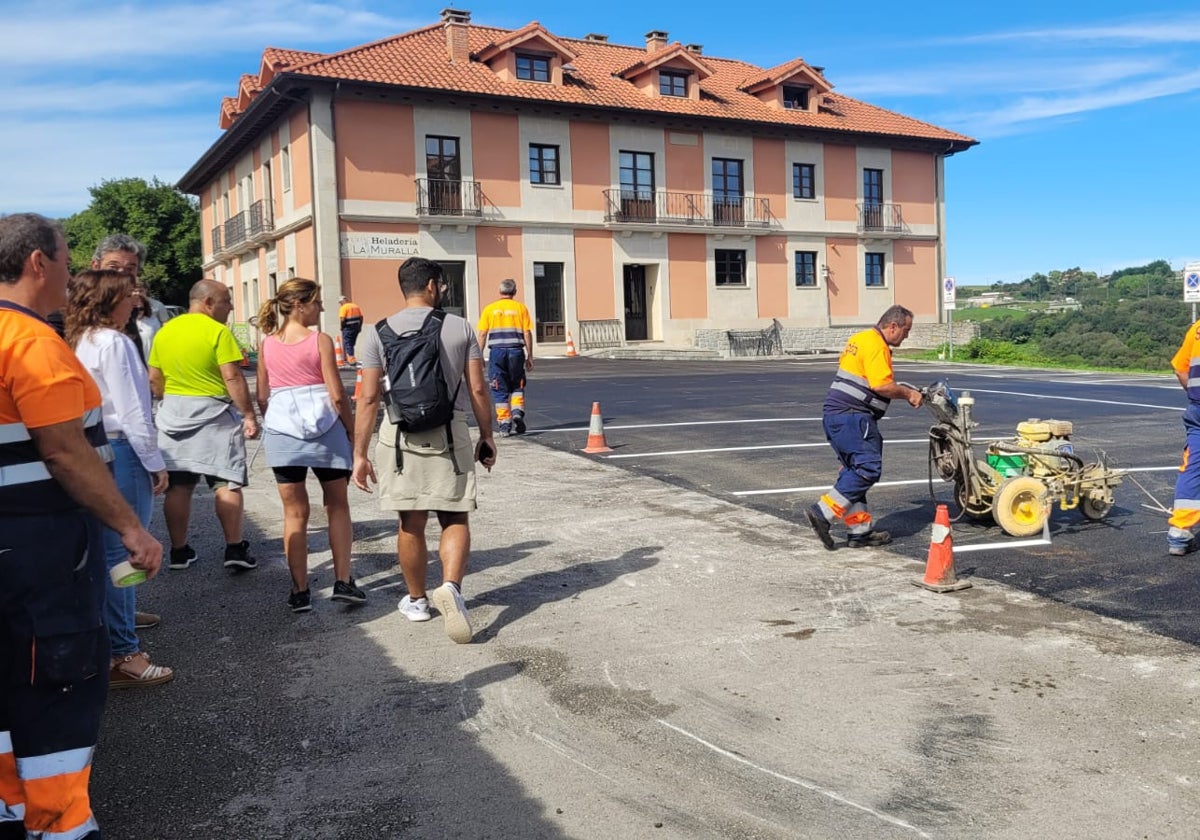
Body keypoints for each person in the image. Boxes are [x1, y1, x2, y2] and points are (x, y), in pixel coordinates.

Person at [0, 213, 162, 840]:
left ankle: (11, 806)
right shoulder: (33, 342)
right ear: (38, 263)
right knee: (56, 679)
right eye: (66, 258)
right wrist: (131, 528)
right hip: (39, 545)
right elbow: (65, 450)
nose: (72, 272)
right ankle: (62, 823)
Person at [351, 257, 496, 643]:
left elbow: (367, 399)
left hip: (399, 439)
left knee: (410, 524)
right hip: (449, 436)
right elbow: (478, 388)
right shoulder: (458, 327)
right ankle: (450, 586)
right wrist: (487, 434)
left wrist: (359, 454)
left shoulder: (376, 333)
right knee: (455, 519)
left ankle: (416, 601)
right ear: (433, 285)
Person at [66, 270, 174, 688]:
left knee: (108, 551)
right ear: (112, 301)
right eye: (129, 296)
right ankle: (124, 652)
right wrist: (155, 462)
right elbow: (134, 411)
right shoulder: (114, 342)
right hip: (122, 449)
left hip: (94, 445)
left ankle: (118, 633)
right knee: (127, 550)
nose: (136, 301)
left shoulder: (80, 340)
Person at [256, 279, 365, 611]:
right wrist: (352, 431)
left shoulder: (266, 345)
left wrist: (275, 419)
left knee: (294, 514)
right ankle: (343, 580)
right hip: (325, 432)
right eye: (317, 302)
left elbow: (262, 396)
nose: (322, 308)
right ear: (300, 305)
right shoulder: (320, 340)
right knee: (337, 506)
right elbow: (336, 394)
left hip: (282, 434)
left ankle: (300, 590)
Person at [148, 279, 259, 571]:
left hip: (174, 415)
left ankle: (179, 551)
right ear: (208, 302)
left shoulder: (165, 331)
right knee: (226, 483)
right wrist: (248, 413)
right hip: (214, 417)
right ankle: (234, 547)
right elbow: (232, 378)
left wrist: (167, 399)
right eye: (226, 300)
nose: (231, 306)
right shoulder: (218, 332)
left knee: (179, 487)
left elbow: (154, 378)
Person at [805, 305, 923, 550]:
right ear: (893, 326)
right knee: (868, 469)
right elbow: (881, 385)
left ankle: (859, 532)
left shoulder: (859, 339)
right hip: (853, 417)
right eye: (906, 330)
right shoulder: (877, 346)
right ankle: (822, 513)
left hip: (836, 416)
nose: (907, 335)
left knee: (854, 471)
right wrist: (909, 393)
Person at [477, 278, 533, 436]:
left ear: (500, 291)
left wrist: (479, 354)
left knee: (498, 388)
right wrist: (530, 355)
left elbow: (482, 334)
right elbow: (527, 333)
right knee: (517, 384)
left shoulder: (490, 309)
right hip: (516, 351)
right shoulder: (521, 308)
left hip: (497, 352)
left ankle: (504, 425)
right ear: (515, 292)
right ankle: (517, 413)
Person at [1167, 318, 1200, 555]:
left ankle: (1179, 531)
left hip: (1198, 408)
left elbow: (1180, 368)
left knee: (1194, 467)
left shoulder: (1197, 327)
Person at [337, 294, 363, 365]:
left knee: (348, 343)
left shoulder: (343, 308)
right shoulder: (355, 306)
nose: (340, 304)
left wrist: (342, 327)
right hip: (356, 328)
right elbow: (361, 317)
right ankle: (351, 358)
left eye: (340, 303)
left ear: (342, 301)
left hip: (348, 328)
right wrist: (360, 327)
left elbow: (342, 319)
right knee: (351, 344)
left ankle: (351, 360)